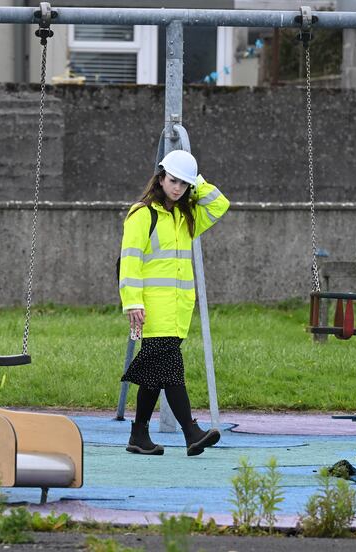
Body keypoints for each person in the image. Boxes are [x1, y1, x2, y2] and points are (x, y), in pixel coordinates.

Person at [118, 150, 229, 456]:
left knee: (156, 374)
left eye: (184, 183)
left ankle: (138, 436)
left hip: (178, 310)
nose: (178, 187)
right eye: (173, 180)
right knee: (170, 369)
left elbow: (220, 205)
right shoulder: (142, 214)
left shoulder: (185, 216)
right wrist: (132, 302)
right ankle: (191, 432)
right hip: (152, 309)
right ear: (161, 177)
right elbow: (130, 261)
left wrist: (198, 181)